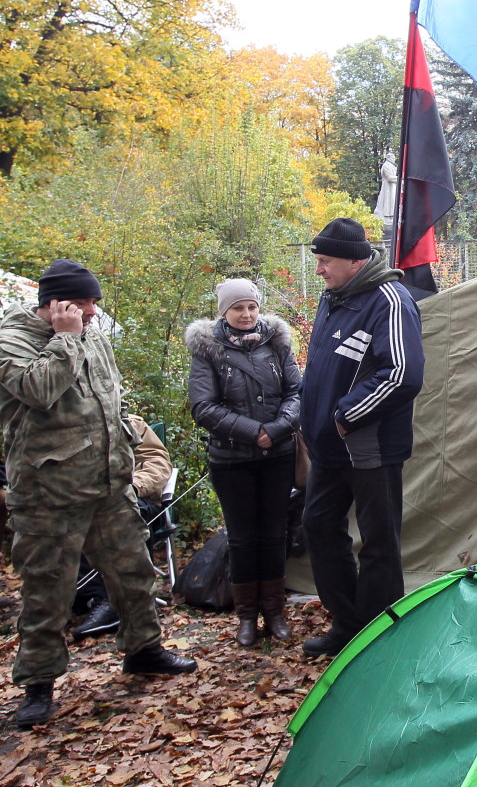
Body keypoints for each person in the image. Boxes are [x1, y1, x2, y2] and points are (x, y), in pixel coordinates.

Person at [0, 260, 196, 730]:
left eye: (93, 304)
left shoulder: (94, 333)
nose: (91, 313)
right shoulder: (13, 340)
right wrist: (65, 336)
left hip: (109, 486)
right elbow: (39, 389)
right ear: (55, 302)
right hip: (50, 495)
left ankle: (144, 651)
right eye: (83, 304)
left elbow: (110, 398)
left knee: (133, 574)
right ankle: (38, 685)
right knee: (48, 591)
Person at [299, 219, 424, 658]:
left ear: (355, 261)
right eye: (318, 261)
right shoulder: (333, 298)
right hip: (328, 448)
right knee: (318, 526)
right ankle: (348, 623)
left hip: (370, 447)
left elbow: (404, 374)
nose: (319, 270)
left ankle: (376, 637)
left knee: (378, 540)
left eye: (325, 261)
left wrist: (345, 416)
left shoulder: (390, 301)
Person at [186, 279, 302, 647]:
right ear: (224, 311)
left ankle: (275, 612)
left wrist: (278, 429)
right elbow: (203, 407)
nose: (246, 314)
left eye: (251, 307)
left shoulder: (276, 342)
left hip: (278, 456)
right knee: (242, 538)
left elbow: (296, 392)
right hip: (232, 460)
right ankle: (247, 617)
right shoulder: (208, 350)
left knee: (274, 534)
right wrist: (255, 432)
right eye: (238, 308)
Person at [70, 415, 173, 640]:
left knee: (127, 514)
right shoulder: (73, 427)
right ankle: (93, 598)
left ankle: (111, 602)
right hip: (90, 503)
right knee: (76, 521)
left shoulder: (132, 422)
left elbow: (158, 462)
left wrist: (133, 487)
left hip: (137, 498)